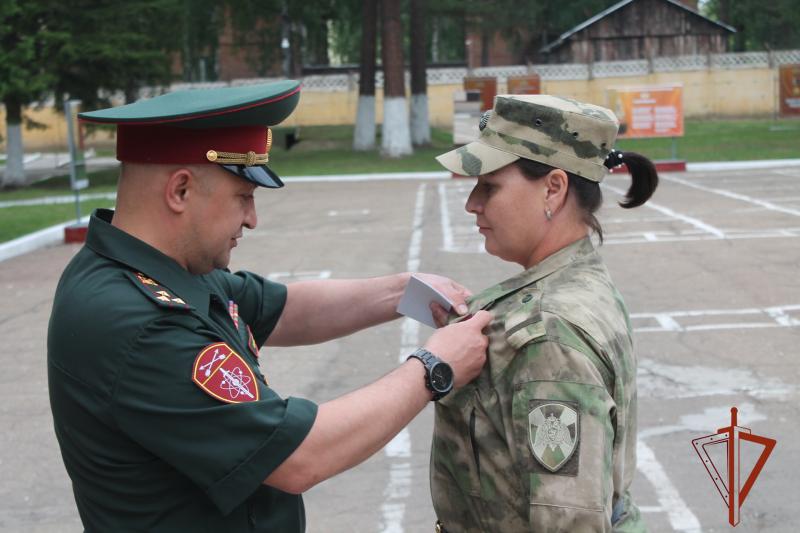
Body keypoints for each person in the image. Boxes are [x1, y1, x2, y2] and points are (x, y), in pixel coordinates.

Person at [47, 80, 492, 532]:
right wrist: (434, 366)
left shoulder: (161, 272)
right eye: (243, 197)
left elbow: (285, 308)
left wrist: (404, 292)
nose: (252, 219)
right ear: (180, 191)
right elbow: (301, 457)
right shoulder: (136, 322)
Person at [428, 94, 657, 532]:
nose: (472, 204)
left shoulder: (546, 335)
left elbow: (569, 522)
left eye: (489, 186)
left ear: (553, 188)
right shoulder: (575, 284)